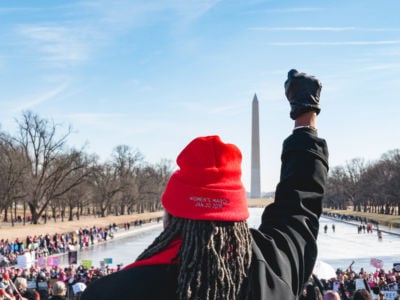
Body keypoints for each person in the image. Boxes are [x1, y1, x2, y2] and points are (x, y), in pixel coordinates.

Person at [81, 69, 329, 300]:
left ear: (168, 218)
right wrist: (305, 118)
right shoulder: (274, 273)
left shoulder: (108, 293)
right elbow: (299, 210)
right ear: (236, 218)